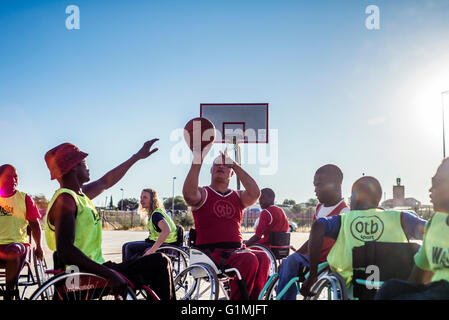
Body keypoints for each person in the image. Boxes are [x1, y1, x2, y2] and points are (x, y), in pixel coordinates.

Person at [44, 141, 175, 300]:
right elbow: (66, 250)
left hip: (92, 268)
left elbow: (106, 181)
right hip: (80, 275)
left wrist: (137, 157)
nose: (88, 167)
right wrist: (109, 275)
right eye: (84, 163)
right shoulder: (66, 199)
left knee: (148, 260)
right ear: (73, 167)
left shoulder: (78, 195)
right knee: (159, 262)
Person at [301, 176, 427, 297]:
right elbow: (432, 231)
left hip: (353, 287)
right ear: (377, 199)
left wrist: (313, 274)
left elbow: (317, 226)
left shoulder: (343, 220)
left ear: (356, 197)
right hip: (395, 287)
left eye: (351, 196)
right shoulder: (400, 217)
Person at [182, 148, 270, 300]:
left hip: (235, 251)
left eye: (226, 165)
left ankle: (253, 302)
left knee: (263, 257)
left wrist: (234, 164)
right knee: (248, 259)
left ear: (232, 173)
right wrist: (198, 159)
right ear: (211, 170)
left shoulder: (238, 196)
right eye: (217, 164)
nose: (221, 166)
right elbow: (189, 195)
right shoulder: (203, 193)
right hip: (210, 253)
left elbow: (256, 193)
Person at [375, 158, 449, 300]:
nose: (430, 189)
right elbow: (418, 277)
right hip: (437, 288)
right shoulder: (435, 223)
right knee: (390, 289)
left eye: (436, 183)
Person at [275, 164, 349, 300]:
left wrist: (313, 272)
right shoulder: (319, 208)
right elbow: (312, 240)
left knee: (291, 262)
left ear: (336, 185)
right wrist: (294, 257)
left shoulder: (345, 212)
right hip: (313, 258)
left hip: (329, 262)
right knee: (288, 262)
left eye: (319, 185)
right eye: (314, 185)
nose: (315, 190)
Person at [0, 164, 43, 300]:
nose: (13, 180)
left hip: (16, 246)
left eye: (15, 177)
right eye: (9, 176)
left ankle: (9, 293)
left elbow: (35, 225)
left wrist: (39, 246)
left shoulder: (25, 199)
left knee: (14, 249)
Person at [122, 188, 178, 262]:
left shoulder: (156, 214)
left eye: (145, 197)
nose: (141, 200)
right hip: (156, 242)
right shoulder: (154, 213)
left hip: (166, 246)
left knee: (129, 247)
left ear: (152, 200)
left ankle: (130, 271)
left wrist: (152, 250)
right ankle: (126, 270)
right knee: (125, 246)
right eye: (141, 197)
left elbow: (166, 230)